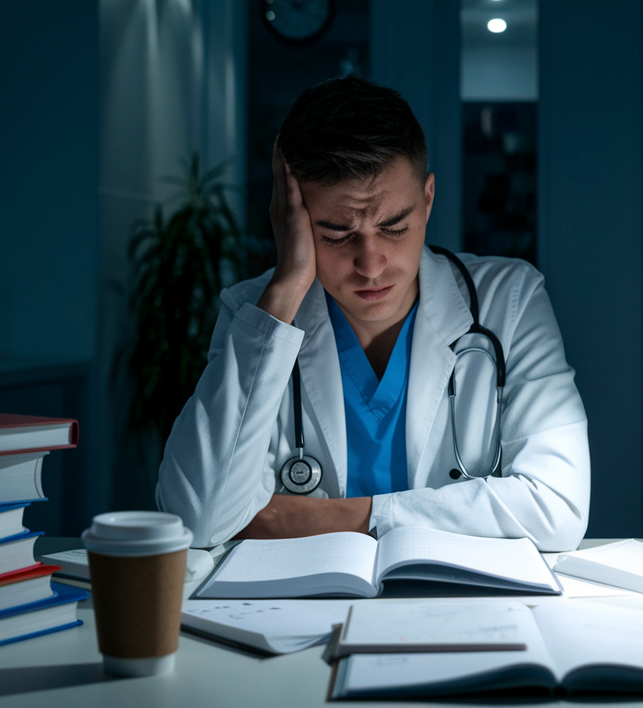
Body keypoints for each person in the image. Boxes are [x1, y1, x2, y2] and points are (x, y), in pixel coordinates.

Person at [157, 76, 590, 552]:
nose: (371, 264)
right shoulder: (257, 315)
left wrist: (333, 516)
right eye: (337, 234)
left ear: (427, 200)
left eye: (394, 227)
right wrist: (284, 291)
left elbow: (556, 508)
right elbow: (196, 520)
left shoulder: (509, 300)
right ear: (292, 223)